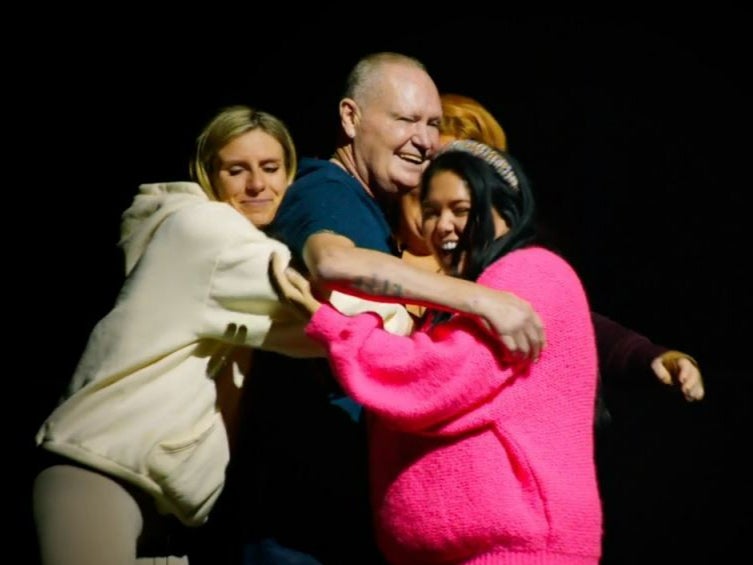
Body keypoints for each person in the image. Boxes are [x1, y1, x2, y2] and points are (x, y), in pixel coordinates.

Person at [239, 52, 544, 565]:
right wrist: (480, 299)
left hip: (335, 518)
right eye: (404, 120)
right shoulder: (325, 188)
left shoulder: (374, 212)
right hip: (295, 526)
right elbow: (332, 260)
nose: (423, 139)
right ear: (350, 118)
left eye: (431, 124)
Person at [274, 139, 603, 564]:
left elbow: (436, 378)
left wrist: (329, 324)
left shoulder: (532, 271)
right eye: (431, 212)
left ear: (506, 208)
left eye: (461, 210)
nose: (443, 226)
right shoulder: (472, 295)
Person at [31, 105, 329, 565]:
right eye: (237, 170)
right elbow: (314, 316)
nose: (257, 185)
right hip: (101, 478)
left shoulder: (210, 238)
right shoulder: (208, 231)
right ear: (209, 175)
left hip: (154, 511)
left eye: (271, 169)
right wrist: (412, 309)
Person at [398, 92, 704, 403]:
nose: (442, 182)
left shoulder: (510, 268)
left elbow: (572, 324)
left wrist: (647, 355)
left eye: (466, 177)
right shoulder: (375, 249)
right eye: (436, 167)